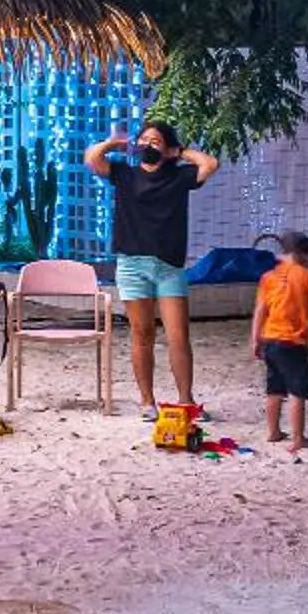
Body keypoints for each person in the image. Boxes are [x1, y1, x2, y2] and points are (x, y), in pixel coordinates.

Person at [87, 121, 220, 419]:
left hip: (169, 266)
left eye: (156, 141)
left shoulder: (179, 176)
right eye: (144, 139)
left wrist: (180, 152)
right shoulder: (124, 174)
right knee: (141, 333)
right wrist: (116, 144)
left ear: (167, 148)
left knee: (178, 335)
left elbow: (210, 164)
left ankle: (186, 401)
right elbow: (92, 159)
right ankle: (147, 402)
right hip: (132, 265)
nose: (148, 144)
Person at [251, 232, 308, 455]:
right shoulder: (306, 276)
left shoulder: (268, 277)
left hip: (270, 340)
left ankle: (273, 432)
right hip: (293, 343)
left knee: (274, 389)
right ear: (302, 252)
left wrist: (255, 338)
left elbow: (260, 310)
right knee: (297, 392)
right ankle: (298, 438)